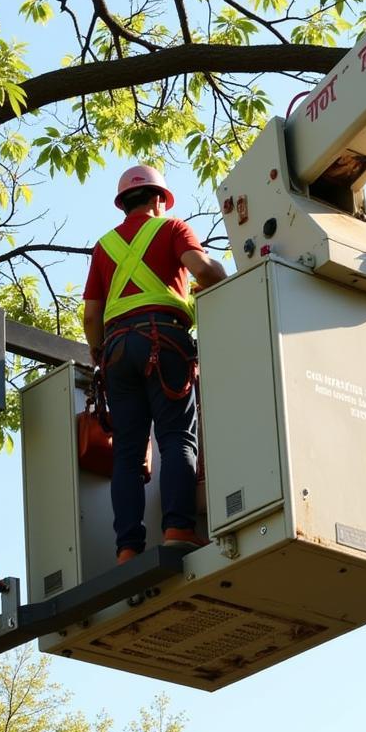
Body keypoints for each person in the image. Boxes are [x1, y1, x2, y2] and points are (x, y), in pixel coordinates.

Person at [83, 165, 226, 565]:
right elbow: (203, 271)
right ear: (159, 199)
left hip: (114, 351)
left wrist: (98, 352)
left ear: (123, 203)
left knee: (127, 452)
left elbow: (92, 316)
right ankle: (178, 528)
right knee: (177, 437)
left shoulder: (104, 246)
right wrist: (221, 275)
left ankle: (128, 548)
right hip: (164, 342)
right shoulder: (172, 228)